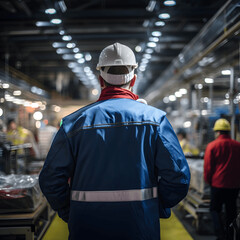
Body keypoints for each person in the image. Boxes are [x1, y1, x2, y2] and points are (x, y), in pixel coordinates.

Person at [39, 42, 190, 240]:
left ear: (100, 80)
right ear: (133, 79)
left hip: (86, 229)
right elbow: (178, 177)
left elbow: (50, 179)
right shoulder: (156, 120)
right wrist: (155, 206)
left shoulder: (72, 124)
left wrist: (71, 211)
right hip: (140, 227)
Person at [204, 118, 240, 240]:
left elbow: (208, 167)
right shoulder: (238, 145)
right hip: (234, 185)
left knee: (215, 209)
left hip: (218, 184)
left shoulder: (212, 146)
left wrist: (208, 181)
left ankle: (220, 234)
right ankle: (231, 234)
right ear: (228, 132)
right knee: (231, 210)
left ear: (217, 132)